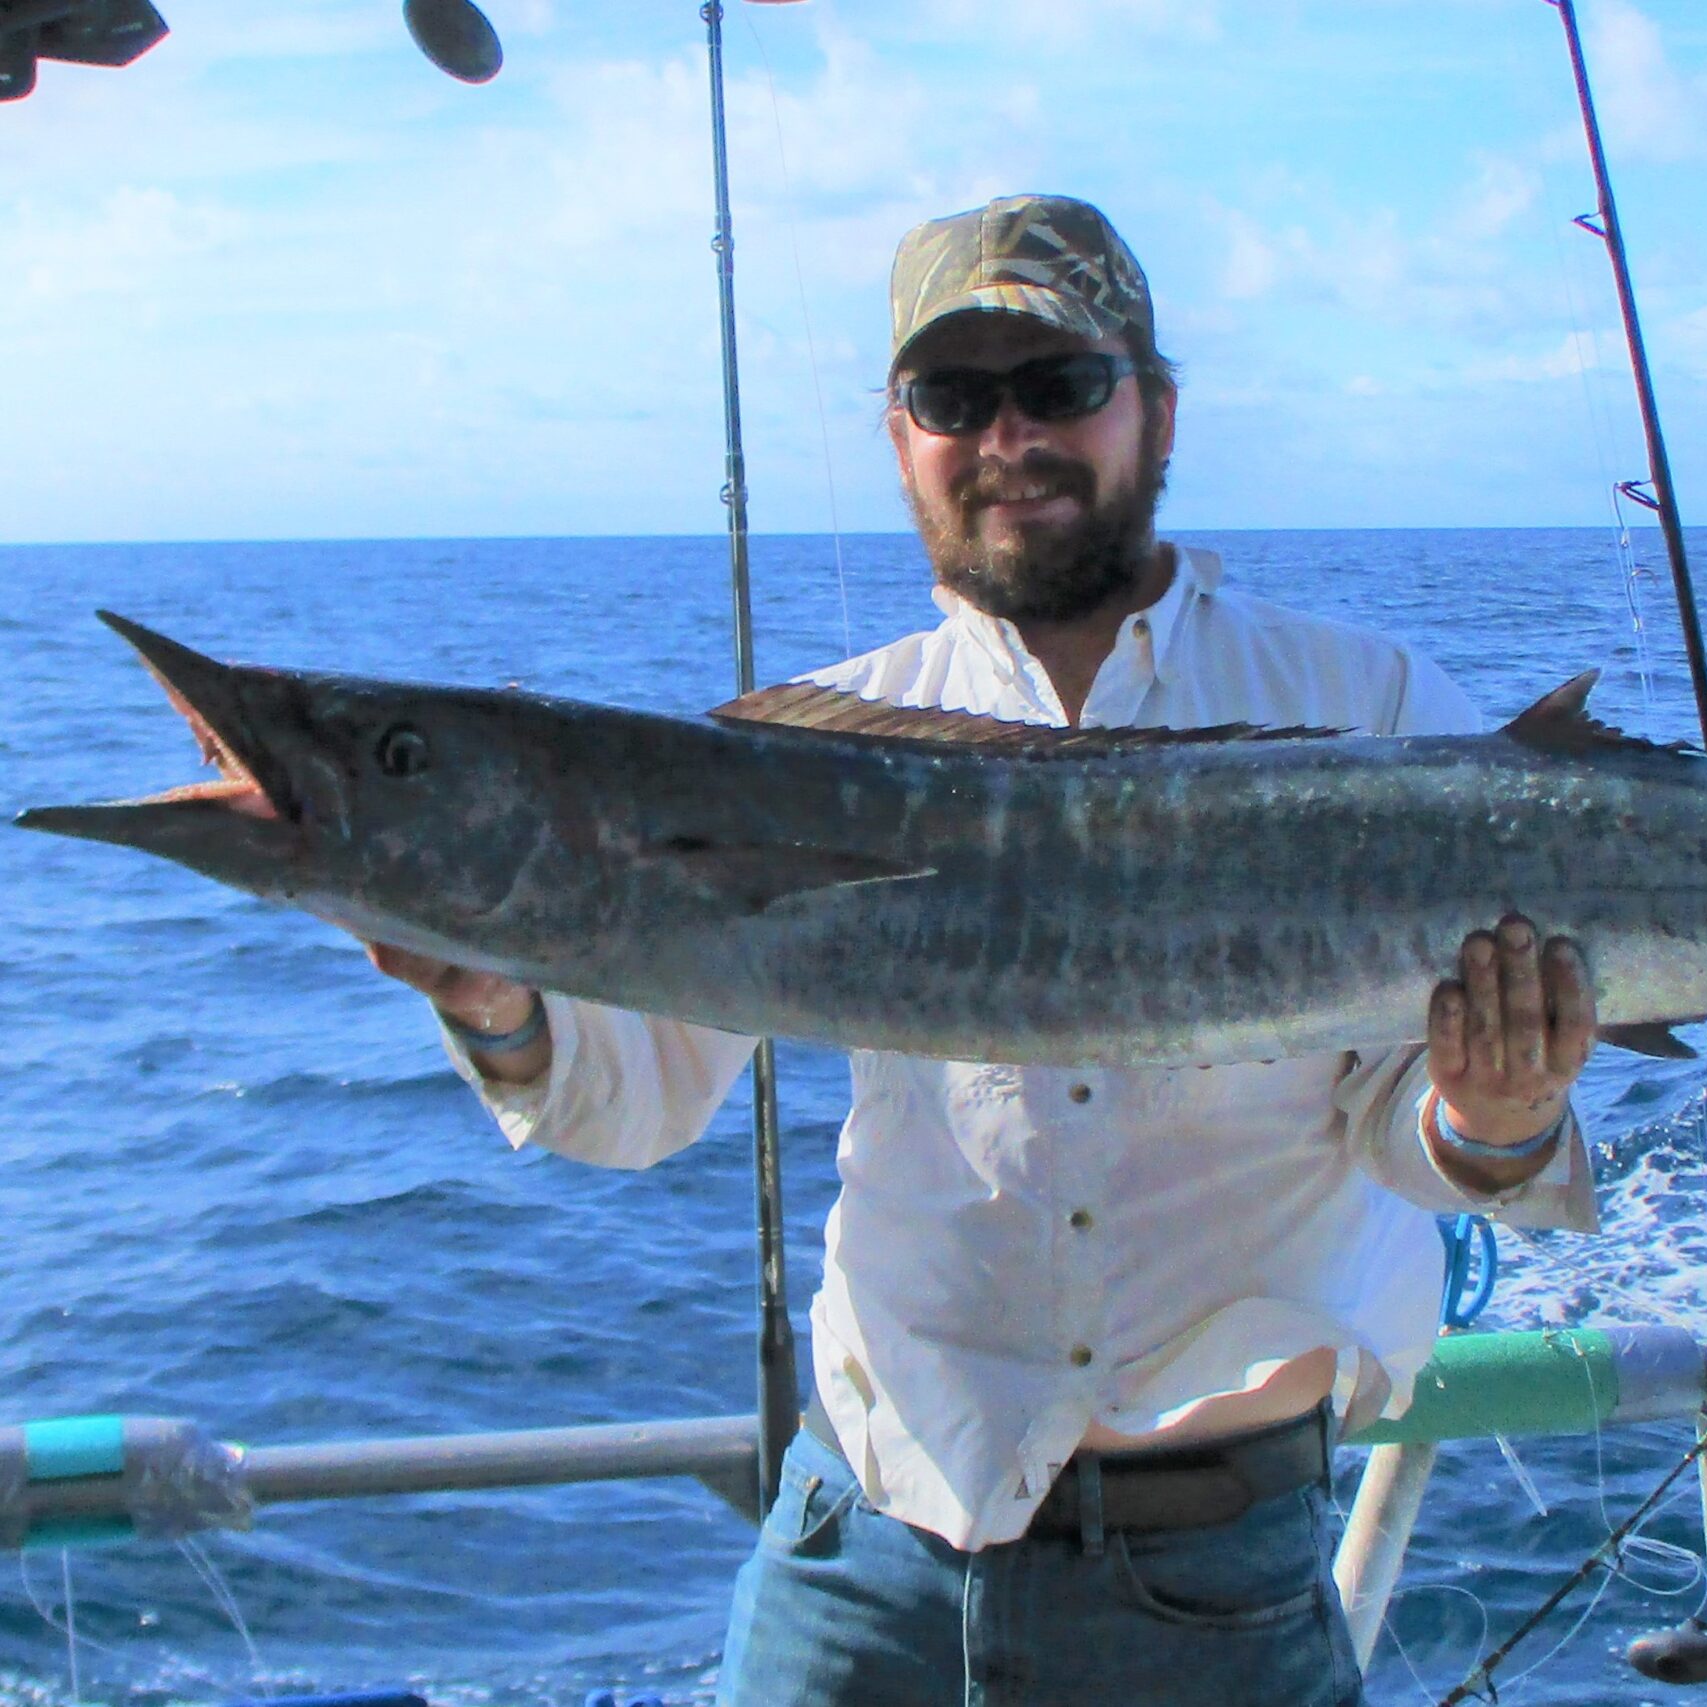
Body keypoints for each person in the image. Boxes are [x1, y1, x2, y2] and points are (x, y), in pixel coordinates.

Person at [368, 194, 1602, 1707]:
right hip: (859, 1574)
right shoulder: (791, 746)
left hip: (1217, 1593)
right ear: (900, 439)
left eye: (1063, 386)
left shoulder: (1374, 704)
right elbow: (638, 1099)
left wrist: (1498, 1113)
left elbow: (1417, 1133)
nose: (1008, 435)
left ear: (1158, 413)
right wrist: (502, 1005)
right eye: (956, 397)